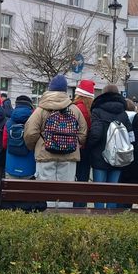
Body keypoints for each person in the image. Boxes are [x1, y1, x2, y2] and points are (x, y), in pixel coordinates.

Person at [24, 74, 87, 208]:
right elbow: (83, 134)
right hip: (69, 157)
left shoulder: (41, 110)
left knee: (45, 195)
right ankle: (65, 224)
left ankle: (48, 225)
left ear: (50, 89)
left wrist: (35, 146)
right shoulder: (75, 110)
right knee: (66, 193)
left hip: (45, 155)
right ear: (65, 91)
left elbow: (30, 133)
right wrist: (74, 144)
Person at [87, 84, 134, 208]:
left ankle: (99, 218)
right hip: (118, 157)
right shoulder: (123, 113)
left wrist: (90, 146)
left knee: (99, 191)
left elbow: (96, 134)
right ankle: (111, 219)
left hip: (99, 156)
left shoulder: (97, 111)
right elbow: (131, 136)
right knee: (113, 191)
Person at [72, 79, 94, 207]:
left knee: (73, 179)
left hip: (76, 147)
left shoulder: (75, 108)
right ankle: (81, 204)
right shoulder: (92, 110)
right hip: (87, 150)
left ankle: (74, 204)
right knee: (83, 178)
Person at [3, 95, 36, 179]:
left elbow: (4, 143)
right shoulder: (34, 121)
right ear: (30, 105)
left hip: (11, 165)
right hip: (29, 167)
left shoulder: (9, 122)